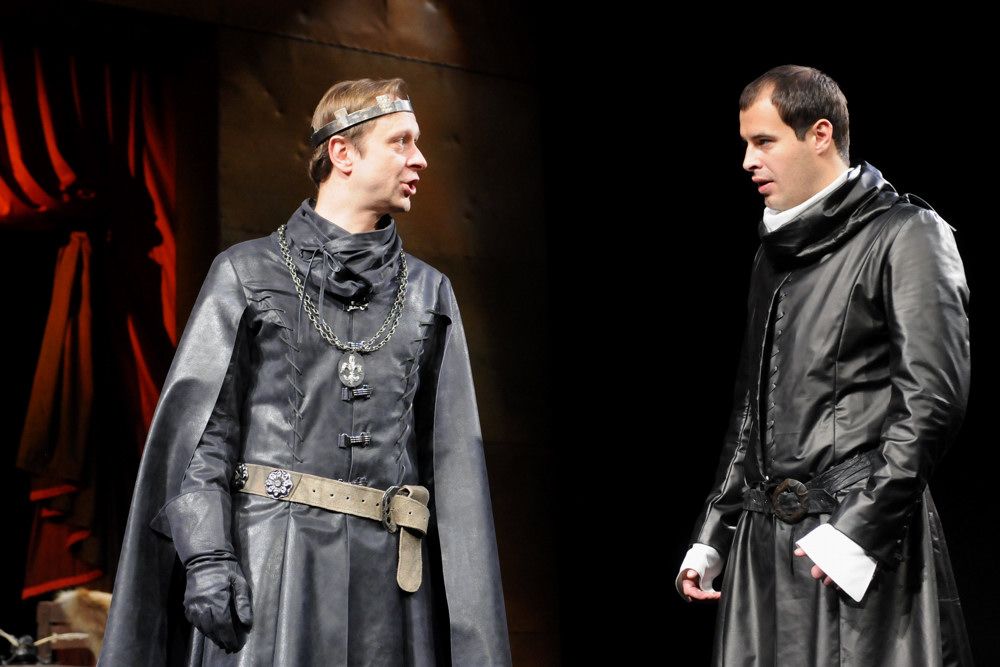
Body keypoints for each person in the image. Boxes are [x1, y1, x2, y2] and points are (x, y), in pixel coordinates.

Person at [98, 77, 513, 665]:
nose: (420, 158)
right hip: (271, 571)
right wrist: (208, 556)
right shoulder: (246, 273)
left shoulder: (428, 293)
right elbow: (201, 437)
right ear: (342, 152)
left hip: (390, 595)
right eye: (401, 141)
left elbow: (452, 466)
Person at [675, 65, 973, 665]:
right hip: (764, 550)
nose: (748, 161)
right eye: (746, 144)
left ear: (819, 134)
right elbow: (750, 412)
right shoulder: (770, 258)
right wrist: (715, 531)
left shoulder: (906, 234)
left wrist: (859, 529)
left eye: (764, 142)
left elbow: (931, 403)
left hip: (858, 546)